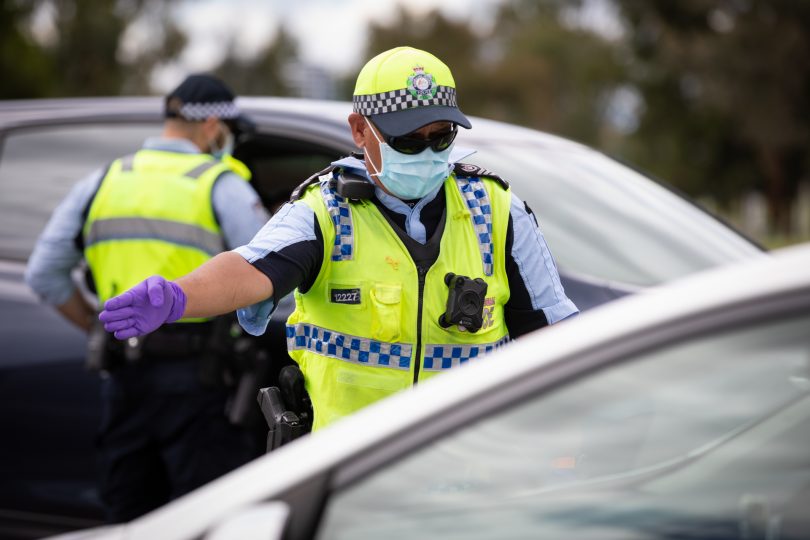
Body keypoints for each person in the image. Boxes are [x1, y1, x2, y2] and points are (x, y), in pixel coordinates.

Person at [98, 47, 578, 432]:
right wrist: (180, 295)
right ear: (360, 130)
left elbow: (559, 339)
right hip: (352, 479)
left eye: (442, 137)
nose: (429, 153)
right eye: (409, 140)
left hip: (473, 480)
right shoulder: (325, 212)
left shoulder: (496, 211)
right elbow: (249, 271)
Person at [25, 74, 269, 522]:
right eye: (231, 130)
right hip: (201, 382)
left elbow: (44, 274)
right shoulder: (220, 183)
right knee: (207, 517)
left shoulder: (105, 180)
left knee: (132, 517)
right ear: (213, 124)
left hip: (124, 380)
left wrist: (101, 326)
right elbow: (270, 277)